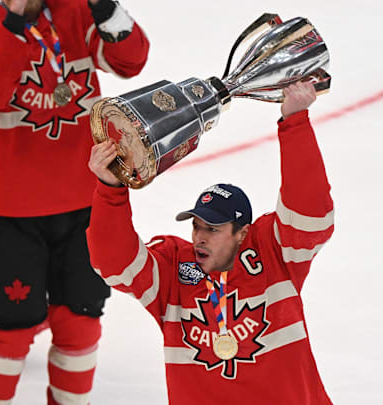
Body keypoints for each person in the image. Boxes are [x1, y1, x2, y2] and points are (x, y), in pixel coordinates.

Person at [0, 0, 149, 403]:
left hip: (86, 201)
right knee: (10, 330)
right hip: (10, 211)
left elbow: (131, 61)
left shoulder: (76, 12)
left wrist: (107, 9)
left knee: (81, 321)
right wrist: (16, 21)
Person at [86, 82, 335, 404]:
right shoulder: (175, 271)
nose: (200, 237)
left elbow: (310, 214)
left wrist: (295, 122)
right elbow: (113, 264)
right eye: (197, 226)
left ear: (242, 234)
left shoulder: (274, 255)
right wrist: (110, 189)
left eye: (214, 229)